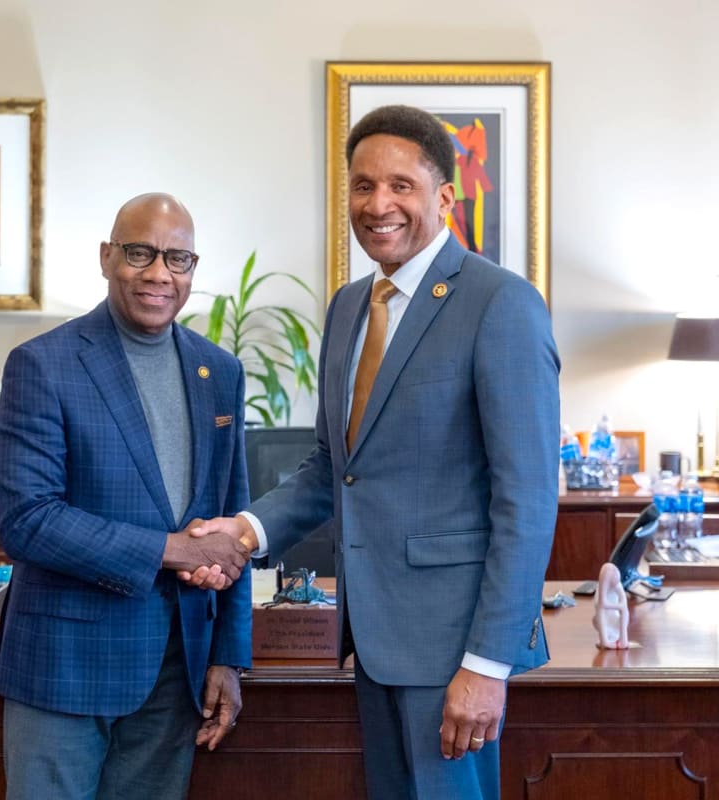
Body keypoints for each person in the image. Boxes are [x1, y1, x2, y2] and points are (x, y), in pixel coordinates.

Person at [188, 105, 559, 799]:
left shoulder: (500, 303)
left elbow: (528, 501)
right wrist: (243, 531)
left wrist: (487, 664)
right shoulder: (351, 306)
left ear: (444, 197)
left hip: (453, 649)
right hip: (374, 638)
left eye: (400, 185)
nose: (377, 204)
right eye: (363, 186)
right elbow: (335, 469)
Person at [0, 192, 253, 799]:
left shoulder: (220, 372)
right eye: (140, 253)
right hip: (65, 664)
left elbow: (231, 528)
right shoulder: (43, 364)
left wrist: (227, 657)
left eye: (178, 259)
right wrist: (171, 549)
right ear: (107, 256)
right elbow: (27, 520)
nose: (160, 273)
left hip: (177, 670)